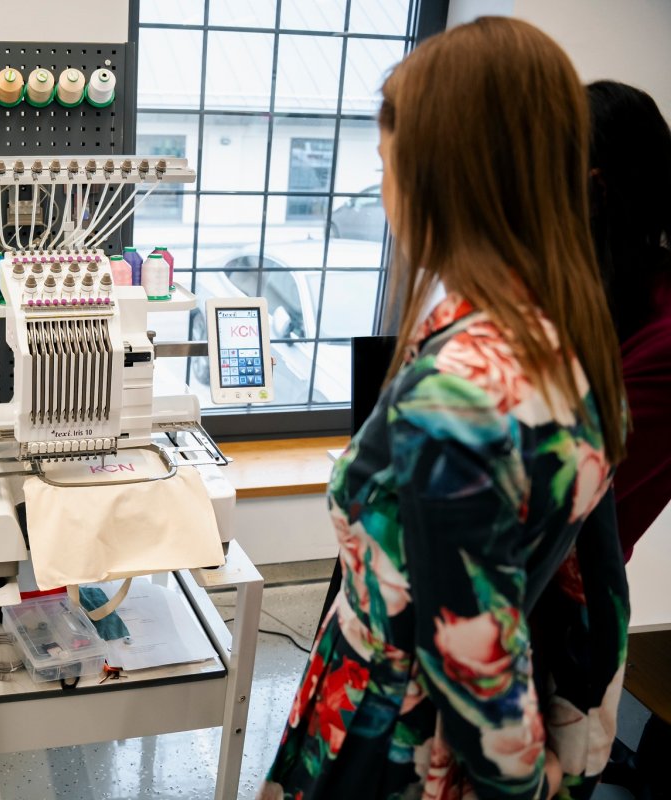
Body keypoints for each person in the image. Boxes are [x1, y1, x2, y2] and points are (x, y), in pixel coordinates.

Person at [261, 17, 629, 800]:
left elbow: (472, 654)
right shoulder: (556, 335)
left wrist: (526, 777)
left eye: (388, 166)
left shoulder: (461, 392)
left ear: (441, 177)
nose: (384, 191)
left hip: (393, 740)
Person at [585, 79, 671, 800]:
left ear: (593, 187)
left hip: (564, 604)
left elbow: (581, 498)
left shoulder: (662, 332)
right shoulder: (601, 287)